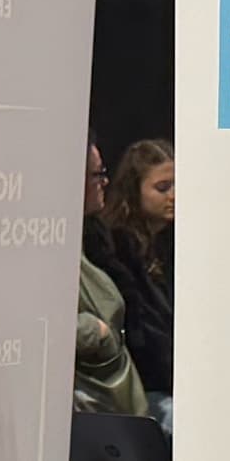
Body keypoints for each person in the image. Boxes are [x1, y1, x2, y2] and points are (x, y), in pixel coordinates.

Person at [74, 141, 149, 417]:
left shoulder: (95, 236)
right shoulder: (52, 243)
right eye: (97, 174)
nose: (104, 182)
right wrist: (98, 332)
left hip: (112, 390)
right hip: (87, 400)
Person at [99, 137, 174, 400]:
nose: (174, 195)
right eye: (163, 188)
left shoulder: (172, 242)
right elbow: (139, 334)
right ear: (134, 190)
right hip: (143, 387)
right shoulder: (116, 247)